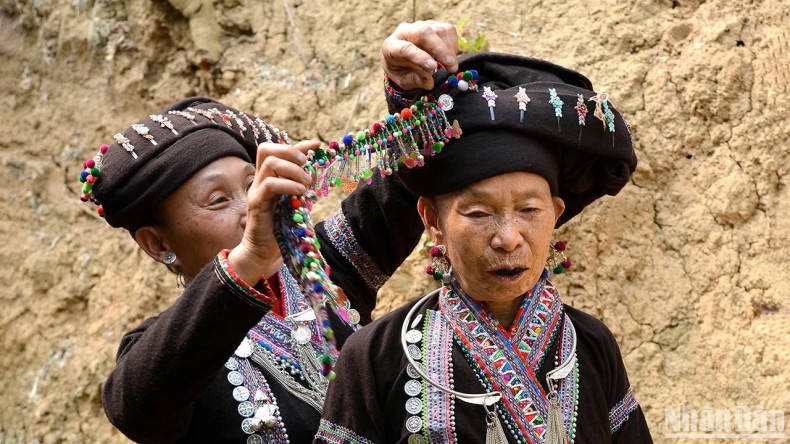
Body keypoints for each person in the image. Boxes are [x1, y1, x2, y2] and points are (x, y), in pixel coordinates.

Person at [87, 21, 459, 444]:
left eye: (253, 184)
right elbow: (133, 407)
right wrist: (249, 259)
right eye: (217, 200)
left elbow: (407, 177)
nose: (252, 208)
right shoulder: (164, 352)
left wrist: (413, 88)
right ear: (158, 243)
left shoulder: (324, 270)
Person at [314, 53, 653, 443]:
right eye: (478, 213)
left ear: (556, 214)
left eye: (529, 210)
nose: (508, 238)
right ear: (433, 221)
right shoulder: (374, 357)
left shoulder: (592, 345)